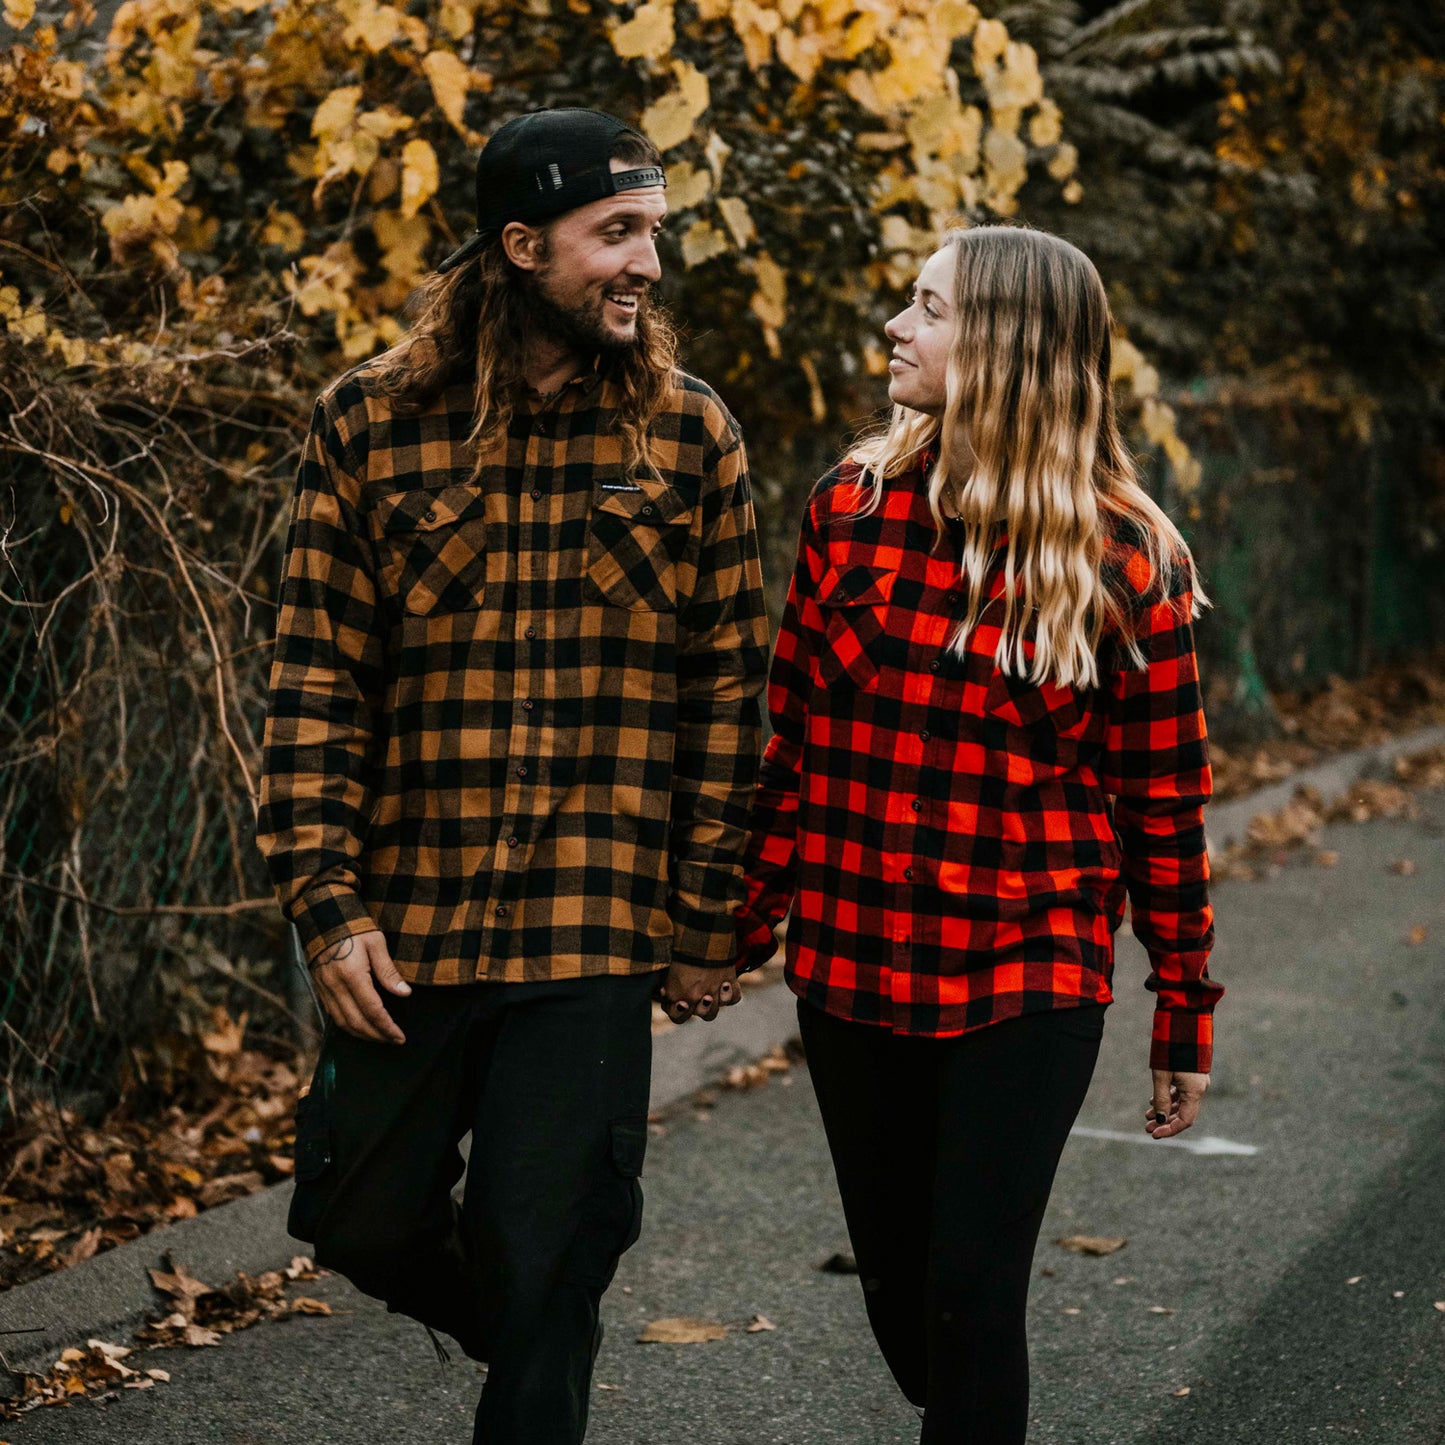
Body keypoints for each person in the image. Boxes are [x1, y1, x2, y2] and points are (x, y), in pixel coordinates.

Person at [256, 107, 769, 1444]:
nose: (647, 265)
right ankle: (526, 1341)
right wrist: (325, 901)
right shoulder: (370, 422)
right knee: (353, 1212)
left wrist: (704, 914)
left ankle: (537, 1350)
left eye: (654, 232)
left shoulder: (692, 439)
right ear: (520, 245)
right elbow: (316, 678)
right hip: (410, 918)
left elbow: (727, 697)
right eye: (617, 234)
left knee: (552, 1251)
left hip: (589, 925)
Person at [736, 224, 1223, 1441]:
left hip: (1026, 972)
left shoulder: (1123, 557)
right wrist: (728, 925)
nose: (896, 328)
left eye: (928, 308)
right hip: (850, 962)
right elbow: (788, 736)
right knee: (904, 1298)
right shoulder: (848, 508)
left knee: (969, 1293)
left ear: (1008, 345)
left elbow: (1160, 800)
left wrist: (1182, 1005)